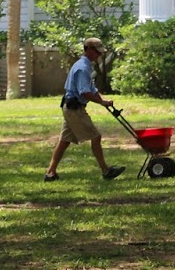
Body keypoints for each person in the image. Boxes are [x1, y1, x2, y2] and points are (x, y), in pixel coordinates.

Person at [45, 37, 126, 181]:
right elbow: (84, 92)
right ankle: (106, 171)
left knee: (64, 141)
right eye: (97, 51)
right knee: (96, 136)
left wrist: (103, 100)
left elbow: (92, 89)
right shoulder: (82, 68)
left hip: (70, 107)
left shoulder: (85, 65)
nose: (99, 55)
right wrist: (101, 103)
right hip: (75, 109)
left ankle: (50, 173)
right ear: (88, 49)